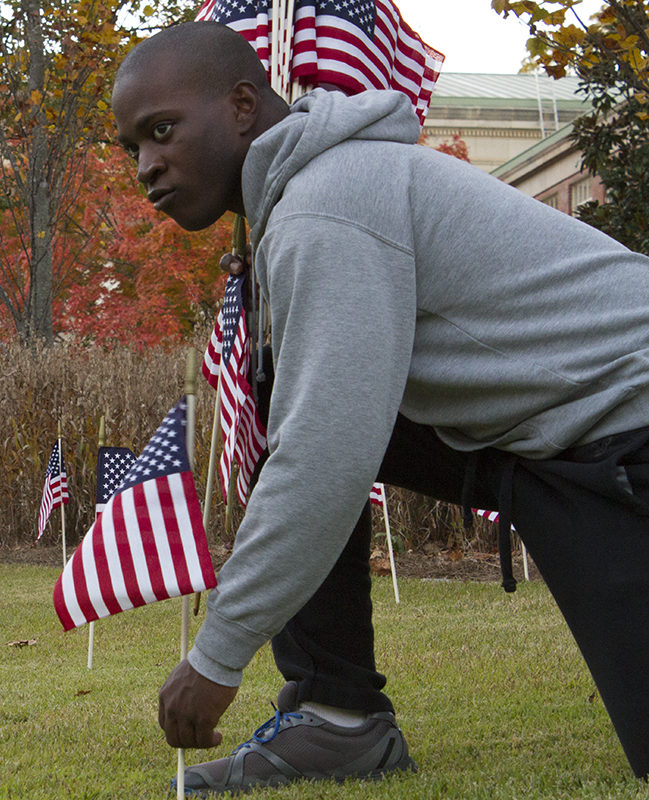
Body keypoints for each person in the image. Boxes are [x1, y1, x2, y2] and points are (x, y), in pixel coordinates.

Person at [112, 20, 649, 795]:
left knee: (306, 418)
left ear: (239, 105)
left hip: (626, 429)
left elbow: (325, 456)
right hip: (571, 439)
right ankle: (339, 716)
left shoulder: (328, 206)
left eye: (161, 131)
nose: (146, 166)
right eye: (133, 147)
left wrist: (216, 656)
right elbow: (323, 433)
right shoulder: (317, 197)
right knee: (285, 390)